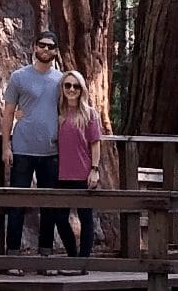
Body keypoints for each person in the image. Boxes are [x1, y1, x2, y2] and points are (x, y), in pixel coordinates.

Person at [1, 30, 62, 276]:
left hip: (51, 151)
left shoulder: (61, 80)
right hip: (23, 149)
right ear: (34, 46)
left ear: (56, 51)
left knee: (50, 205)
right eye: (41, 45)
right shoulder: (19, 77)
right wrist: (6, 145)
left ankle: (45, 257)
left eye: (50, 46)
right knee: (17, 203)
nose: (45, 50)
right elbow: (8, 112)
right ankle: (12, 257)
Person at [52, 70, 102, 275]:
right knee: (60, 218)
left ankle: (83, 264)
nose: (72, 89)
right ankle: (73, 257)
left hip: (83, 174)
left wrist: (94, 170)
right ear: (62, 89)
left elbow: (95, 143)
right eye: (68, 85)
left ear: (82, 89)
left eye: (76, 86)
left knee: (86, 218)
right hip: (60, 174)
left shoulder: (89, 114)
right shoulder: (57, 113)